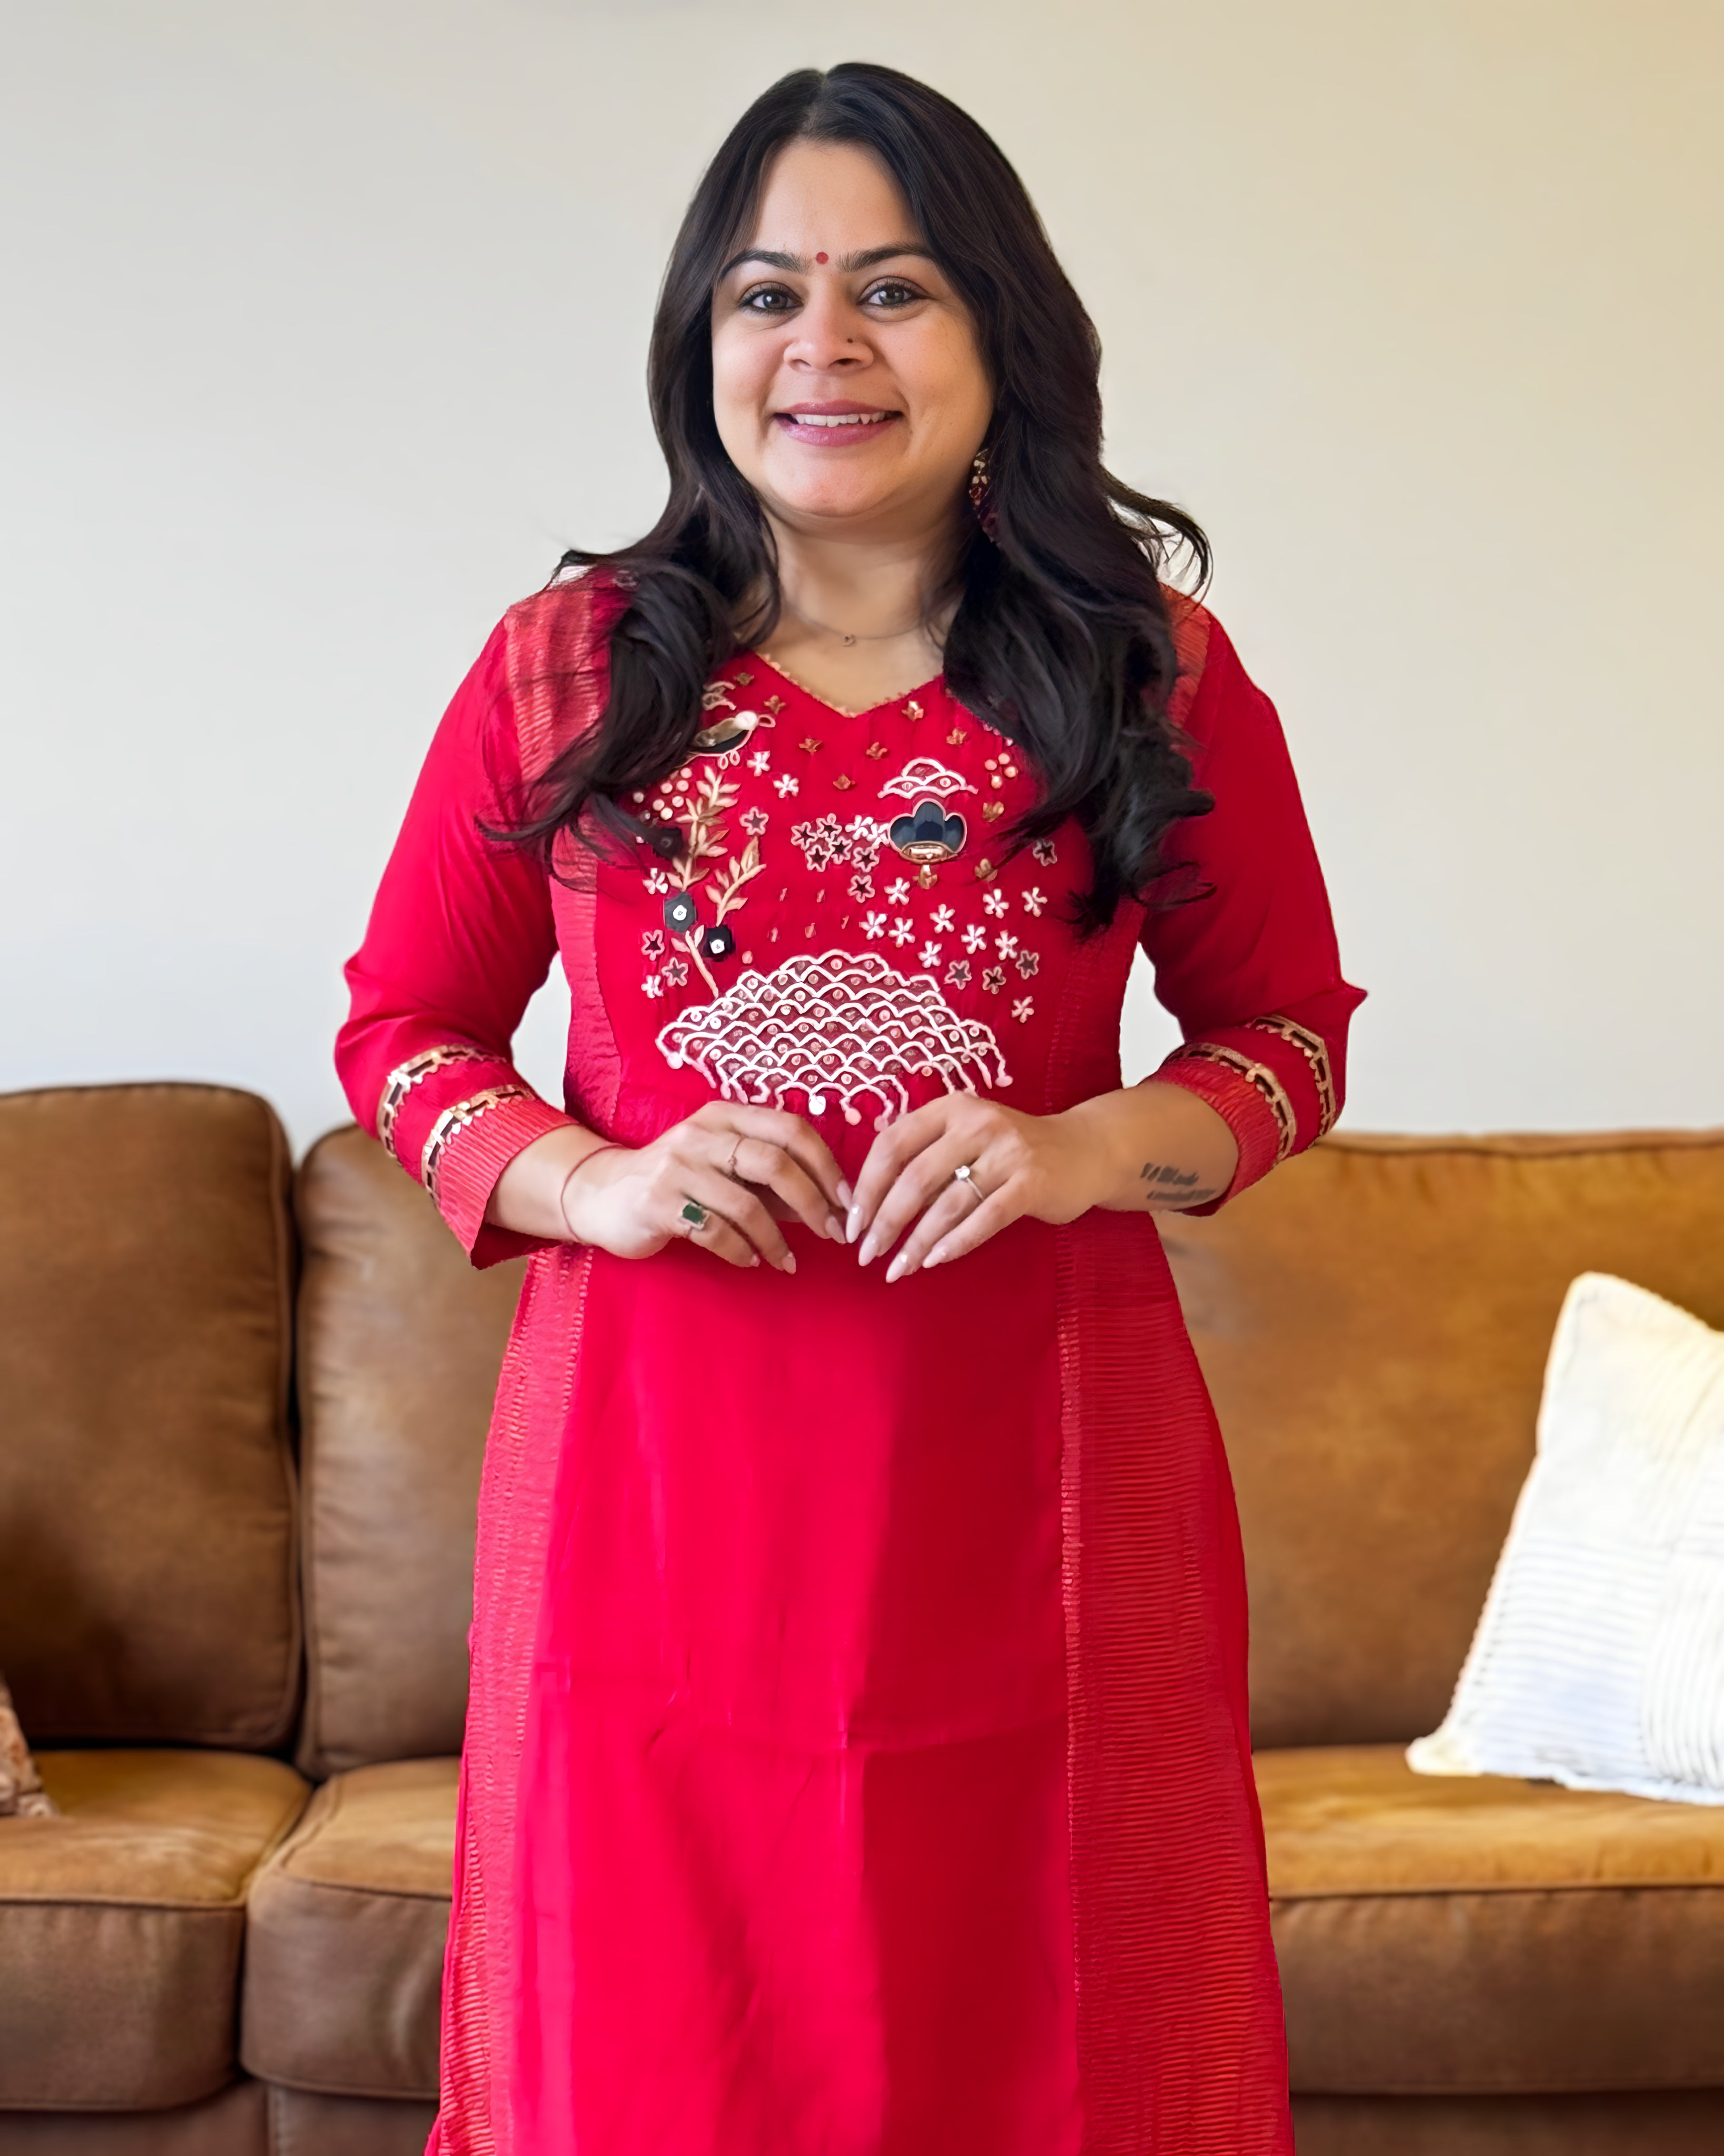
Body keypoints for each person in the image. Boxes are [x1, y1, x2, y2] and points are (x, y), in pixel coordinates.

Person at [338, 59, 1362, 2156]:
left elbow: (1289, 1036)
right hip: (652, 1500)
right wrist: (595, 1177)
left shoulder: (1147, 669)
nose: (821, 347)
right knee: (650, 2052)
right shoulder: (568, 670)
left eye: (893, 289)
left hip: (1040, 1483)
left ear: (1001, 333)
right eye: (762, 293)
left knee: (1055, 2038)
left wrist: (1084, 1148)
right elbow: (402, 1029)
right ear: (697, 343)